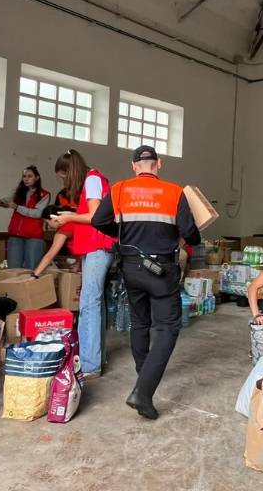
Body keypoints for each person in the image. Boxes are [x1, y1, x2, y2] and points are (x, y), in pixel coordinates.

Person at [92, 145, 200, 420]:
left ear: (133, 166)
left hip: (130, 267)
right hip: (161, 270)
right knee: (167, 327)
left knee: (139, 322)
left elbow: (98, 220)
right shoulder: (174, 192)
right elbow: (189, 232)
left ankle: (143, 374)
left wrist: (120, 233)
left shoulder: (119, 189)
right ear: (158, 164)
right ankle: (143, 391)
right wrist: (189, 236)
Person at [51, 150, 116, 377]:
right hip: (95, 248)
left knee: (89, 302)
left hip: (100, 247)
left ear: (71, 171)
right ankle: (95, 358)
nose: (64, 181)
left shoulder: (92, 180)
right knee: (94, 302)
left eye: (63, 176)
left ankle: (89, 364)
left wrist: (68, 217)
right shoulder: (93, 180)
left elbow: (95, 216)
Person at [0, 166, 50, 269]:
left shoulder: (44, 194)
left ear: (37, 178)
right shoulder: (19, 192)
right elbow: (8, 202)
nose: (26, 179)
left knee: (31, 268)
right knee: (13, 268)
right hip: (16, 236)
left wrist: (17, 207)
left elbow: (38, 213)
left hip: (34, 237)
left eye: (29, 176)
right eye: (24, 176)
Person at [31, 205, 77, 277]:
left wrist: (35, 275)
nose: (48, 226)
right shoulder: (74, 221)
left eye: (47, 222)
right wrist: (78, 264)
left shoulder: (64, 230)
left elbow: (50, 255)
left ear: (53, 218)